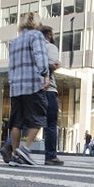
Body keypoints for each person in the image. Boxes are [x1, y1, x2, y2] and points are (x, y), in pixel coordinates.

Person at [0, 13, 50, 166]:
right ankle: (25, 149)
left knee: (17, 122)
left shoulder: (15, 41)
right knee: (39, 116)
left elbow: (11, 66)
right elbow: (40, 56)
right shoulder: (36, 36)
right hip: (33, 83)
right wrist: (45, 74)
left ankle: (14, 155)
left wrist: (11, 82)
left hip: (16, 87)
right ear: (36, 22)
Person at [39, 25, 63, 165]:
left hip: (33, 89)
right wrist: (57, 64)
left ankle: (11, 146)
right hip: (49, 89)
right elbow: (51, 65)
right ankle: (50, 156)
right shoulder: (51, 47)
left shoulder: (34, 48)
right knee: (51, 124)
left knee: (29, 122)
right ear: (48, 35)